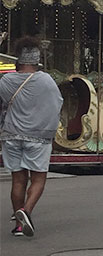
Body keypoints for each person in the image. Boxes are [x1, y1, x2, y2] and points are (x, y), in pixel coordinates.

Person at [0, 36, 63, 237]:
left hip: (11, 135)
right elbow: (57, 104)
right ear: (37, 62)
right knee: (38, 178)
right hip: (38, 136)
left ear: (18, 61)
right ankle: (25, 211)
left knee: (18, 180)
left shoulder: (6, 81)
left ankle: (19, 226)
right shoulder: (46, 80)